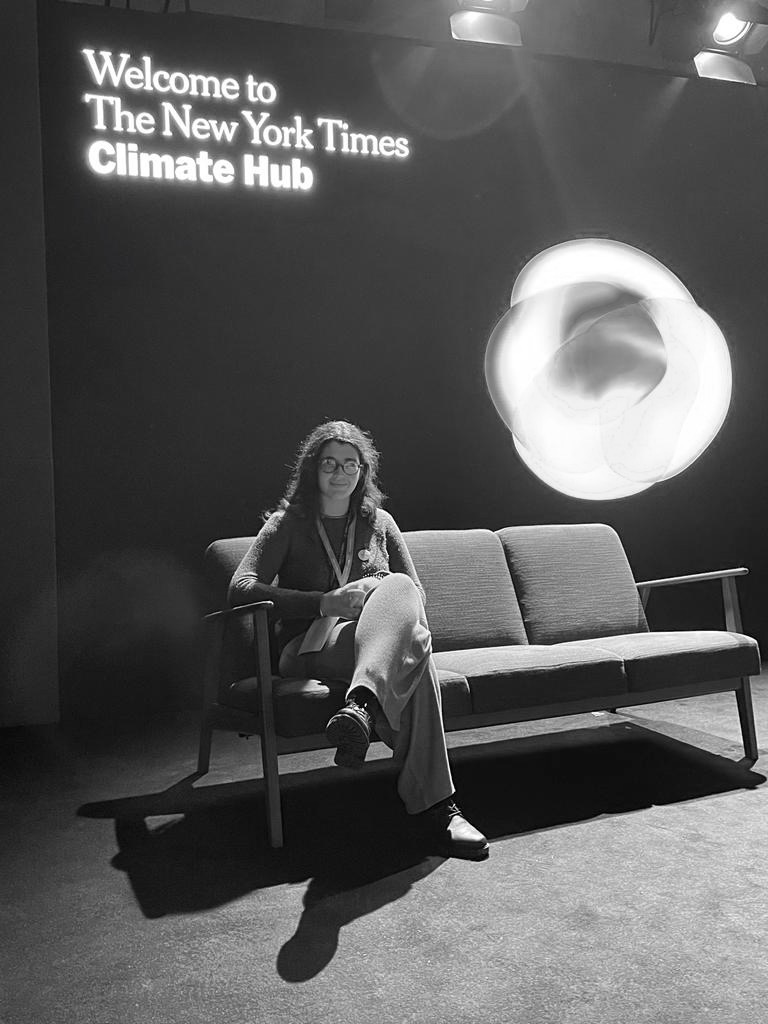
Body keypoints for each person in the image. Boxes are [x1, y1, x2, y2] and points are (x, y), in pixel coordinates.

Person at [228, 420, 489, 860]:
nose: (340, 472)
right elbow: (241, 587)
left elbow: (415, 592)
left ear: (363, 471)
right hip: (307, 647)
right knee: (415, 652)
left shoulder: (379, 522)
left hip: (370, 644)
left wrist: (375, 589)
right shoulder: (287, 524)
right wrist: (323, 602)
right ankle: (440, 810)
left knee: (400, 589)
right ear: (312, 469)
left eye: (350, 463)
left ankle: (361, 707)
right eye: (329, 463)